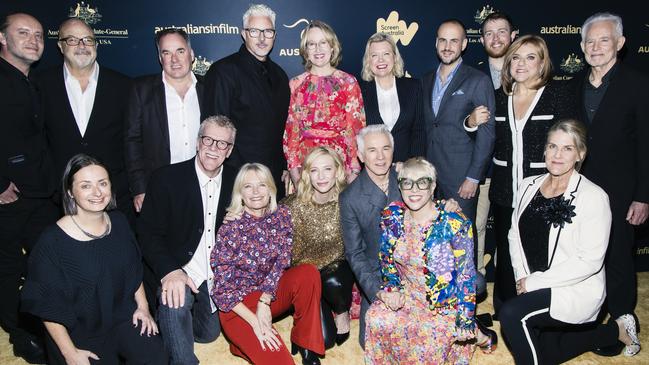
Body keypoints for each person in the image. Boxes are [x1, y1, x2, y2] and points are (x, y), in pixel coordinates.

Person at [499, 119, 641, 363]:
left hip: (573, 288)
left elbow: (590, 261)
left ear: (580, 154)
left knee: (511, 315)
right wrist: (522, 276)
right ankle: (615, 331)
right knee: (545, 354)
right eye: (552, 146)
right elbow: (514, 235)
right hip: (532, 281)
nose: (557, 155)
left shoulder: (593, 197)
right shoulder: (527, 185)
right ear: (544, 150)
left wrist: (535, 282)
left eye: (567, 148)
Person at [21, 154, 167, 365]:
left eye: (102, 183)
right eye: (86, 186)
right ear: (70, 192)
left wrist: (143, 308)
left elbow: (134, 271)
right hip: (78, 329)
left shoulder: (119, 222)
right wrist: (70, 353)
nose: (97, 192)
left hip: (122, 315)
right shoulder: (52, 241)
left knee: (156, 357)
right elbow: (46, 305)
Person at [472, 35, 576, 316]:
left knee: (540, 253)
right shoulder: (496, 97)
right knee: (506, 254)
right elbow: (479, 137)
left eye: (530, 57)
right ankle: (506, 309)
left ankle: (540, 311)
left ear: (542, 63)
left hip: (545, 191)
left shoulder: (557, 95)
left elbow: (571, 143)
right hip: (506, 191)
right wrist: (470, 123)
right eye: (516, 57)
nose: (521, 64)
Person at [571, 12, 649, 357]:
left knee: (617, 259)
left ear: (620, 43)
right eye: (590, 41)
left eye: (604, 40)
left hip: (621, 193)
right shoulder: (573, 85)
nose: (596, 47)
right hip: (577, 191)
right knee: (581, 257)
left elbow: (647, 144)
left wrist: (643, 196)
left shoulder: (638, 84)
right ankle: (587, 324)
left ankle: (622, 324)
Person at [137, 116, 237, 364]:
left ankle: (170, 327)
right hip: (178, 266)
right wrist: (170, 271)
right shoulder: (166, 178)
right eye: (208, 140)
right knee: (175, 295)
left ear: (230, 150)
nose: (214, 148)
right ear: (197, 142)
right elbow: (148, 234)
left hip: (213, 273)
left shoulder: (239, 181)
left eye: (222, 143)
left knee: (209, 333)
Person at [365, 157, 483, 364]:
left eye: (423, 182)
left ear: (433, 186)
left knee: (423, 346)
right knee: (375, 317)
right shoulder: (391, 216)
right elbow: (386, 261)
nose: (414, 189)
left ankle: (479, 333)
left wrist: (464, 320)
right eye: (407, 183)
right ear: (400, 186)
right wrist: (392, 290)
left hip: (442, 305)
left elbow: (466, 276)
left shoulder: (454, 223)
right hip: (408, 295)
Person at [211, 163, 324, 365]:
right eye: (248, 186)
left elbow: (282, 262)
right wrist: (256, 323)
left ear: (271, 189)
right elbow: (222, 291)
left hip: (268, 294)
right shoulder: (230, 229)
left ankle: (305, 343)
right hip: (238, 306)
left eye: (261, 185)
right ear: (240, 193)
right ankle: (241, 341)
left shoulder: (282, 216)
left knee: (308, 273)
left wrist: (264, 301)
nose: (255, 192)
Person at [0, 12, 58, 364]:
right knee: (7, 268)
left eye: (38, 34)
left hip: (40, 193)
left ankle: (41, 326)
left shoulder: (31, 80)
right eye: (23, 33)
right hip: (8, 196)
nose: (34, 40)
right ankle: (19, 333)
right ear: (3, 39)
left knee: (45, 263)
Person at [37, 18, 133, 223]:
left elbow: (132, 139)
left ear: (96, 45)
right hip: (59, 199)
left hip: (115, 198)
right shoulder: (40, 84)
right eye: (72, 40)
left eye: (88, 40)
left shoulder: (123, 85)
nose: (82, 46)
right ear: (60, 46)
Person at [203, 3, 290, 197]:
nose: (261, 38)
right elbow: (215, 131)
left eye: (267, 31)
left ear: (274, 35)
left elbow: (282, 129)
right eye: (254, 31)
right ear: (243, 34)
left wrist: (284, 165)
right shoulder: (223, 72)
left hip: (273, 179)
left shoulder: (280, 76)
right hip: (237, 180)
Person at [422, 19, 495, 229]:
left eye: (454, 41)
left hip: (461, 179)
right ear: (436, 43)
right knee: (432, 240)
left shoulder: (478, 80)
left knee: (462, 240)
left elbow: (487, 133)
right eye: (443, 40)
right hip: (429, 178)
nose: (447, 46)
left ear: (463, 45)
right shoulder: (425, 80)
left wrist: (473, 177)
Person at [125, 28, 203, 214]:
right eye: (166, 53)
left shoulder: (209, 88)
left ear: (191, 55)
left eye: (180, 51)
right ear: (160, 58)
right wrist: (140, 188)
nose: (174, 59)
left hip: (202, 185)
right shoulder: (141, 90)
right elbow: (132, 141)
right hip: (157, 188)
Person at [282, 147, 354, 348]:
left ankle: (341, 311)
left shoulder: (348, 200)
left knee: (334, 282)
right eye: (314, 170)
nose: (321, 177)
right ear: (307, 174)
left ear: (337, 171)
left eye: (327, 169)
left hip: (336, 269)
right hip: (306, 278)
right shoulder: (291, 206)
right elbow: (266, 226)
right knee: (324, 341)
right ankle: (311, 306)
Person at [340, 124, 402, 348]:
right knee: (372, 344)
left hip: (413, 269)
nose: (380, 157)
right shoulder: (350, 198)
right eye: (373, 150)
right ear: (361, 155)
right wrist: (379, 292)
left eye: (386, 149)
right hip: (378, 276)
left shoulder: (406, 180)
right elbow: (355, 253)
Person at [284, 20, 366, 186]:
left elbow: (355, 129)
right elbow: (292, 131)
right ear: (305, 51)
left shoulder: (348, 82)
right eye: (312, 44)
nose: (318, 49)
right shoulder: (296, 84)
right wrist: (294, 172)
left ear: (332, 47)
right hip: (305, 166)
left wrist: (354, 171)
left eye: (323, 43)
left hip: (339, 166)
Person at [474, 11, 516, 277]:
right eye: (489, 33)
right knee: (476, 226)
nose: (496, 38)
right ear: (481, 39)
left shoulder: (527, 73)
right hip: (483, 170)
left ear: (513, 36)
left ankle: (509, 286)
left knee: (514, 229)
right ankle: (476, 284)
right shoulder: (472, 75)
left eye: (502, 31)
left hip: (516, 169)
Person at [359, 32, 424, 162]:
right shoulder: (359, 90)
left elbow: (419, 131)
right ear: (368, 61)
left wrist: (413, 164)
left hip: (407, 170)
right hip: (373, 170)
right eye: (374, 55)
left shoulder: (414, 87)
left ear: (395, 57)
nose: (380, 60)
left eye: (386, 54)